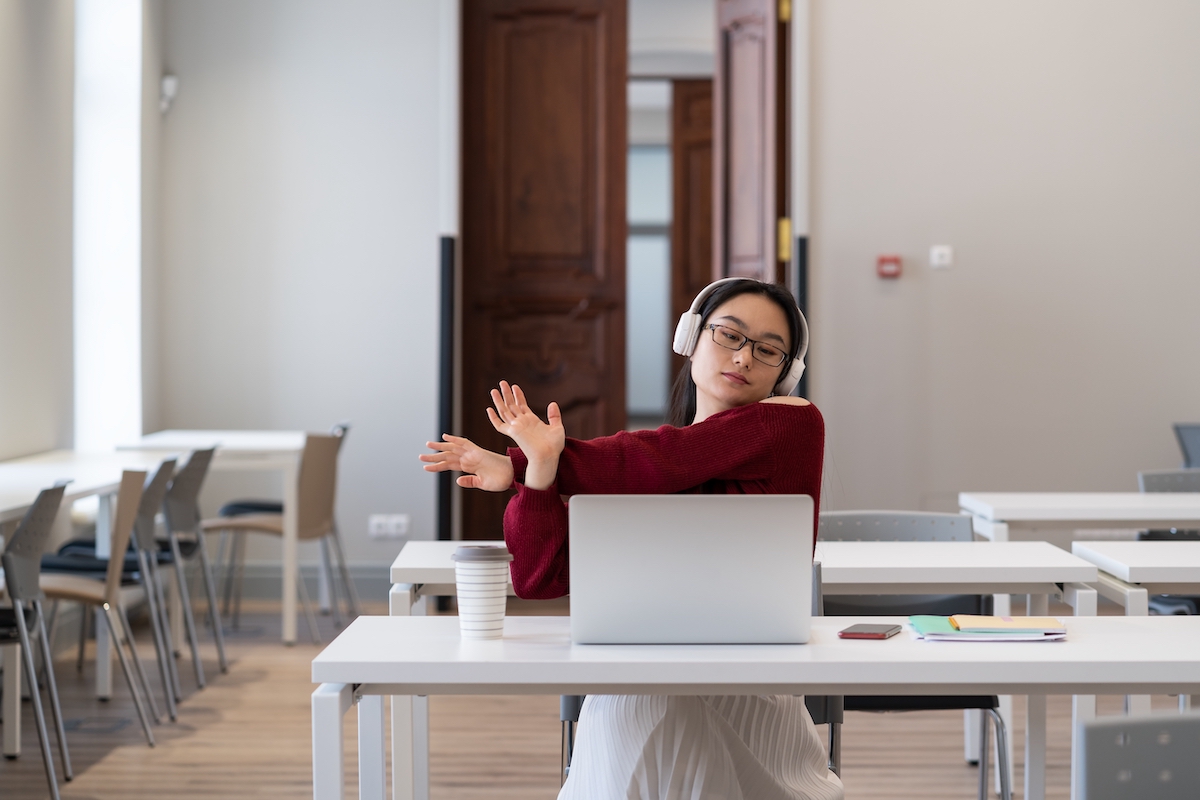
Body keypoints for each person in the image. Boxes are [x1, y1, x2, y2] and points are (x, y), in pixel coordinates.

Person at [421, 278, 843, 800]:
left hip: (748, 681)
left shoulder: (793, 423)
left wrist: (518, 463)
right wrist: (539, 472)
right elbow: (537, 579)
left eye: (768, 350)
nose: (744, 358)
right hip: (635, 682)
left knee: (678, 723)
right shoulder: (627, 476)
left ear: (787, 373)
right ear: (691, 338)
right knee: (651, 712)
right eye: (729, 336)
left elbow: (662, 457)